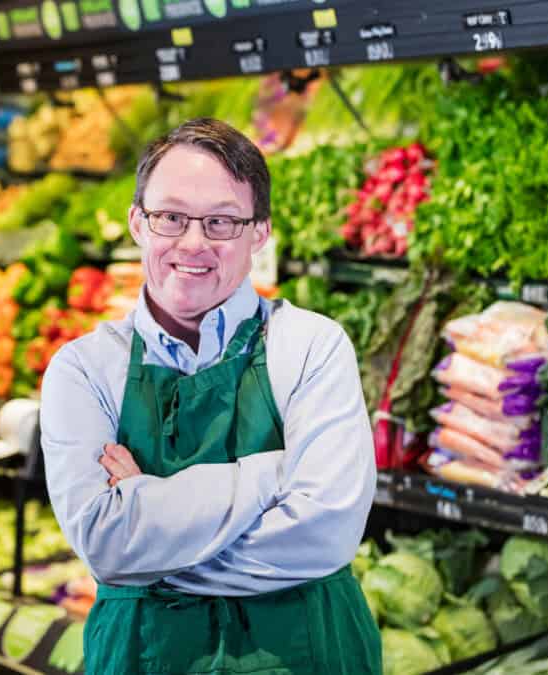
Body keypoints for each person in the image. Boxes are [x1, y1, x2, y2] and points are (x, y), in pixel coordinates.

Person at [41, 117, 381, 674]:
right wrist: (271, 476)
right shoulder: (82, 370)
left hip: (308, 653)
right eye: (171, 217)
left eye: (222, 221)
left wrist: (152, 533)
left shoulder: (312, 346)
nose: (193, 243)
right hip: (145, 657)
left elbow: (325, 536)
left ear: (259, 232)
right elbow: (107, 545)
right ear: (137, 223)